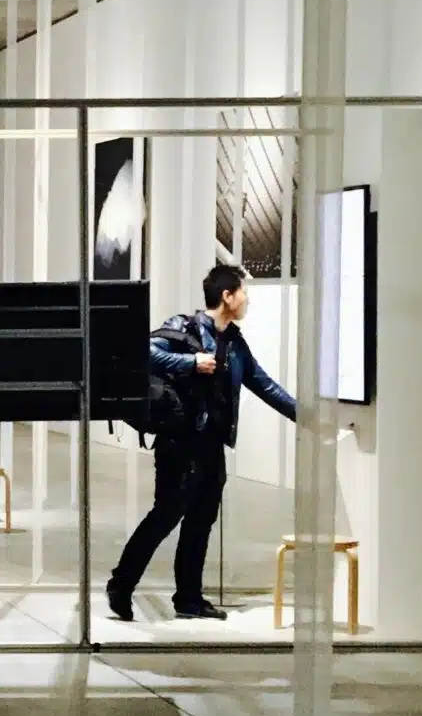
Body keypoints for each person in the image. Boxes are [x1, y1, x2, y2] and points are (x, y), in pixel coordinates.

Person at [106, 262, 296, 621]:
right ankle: (121, 584)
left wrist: (307, 415)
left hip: (212, 445)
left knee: (201, 521)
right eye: (244, 293)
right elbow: (142, 353)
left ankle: (189, 598)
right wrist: (190, 361)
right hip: (179, 442)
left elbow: (264, 384)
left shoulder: (234, 343)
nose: (247, 300)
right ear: (227, 296)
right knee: (166, 515)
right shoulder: (184, 327)